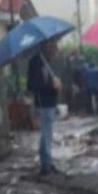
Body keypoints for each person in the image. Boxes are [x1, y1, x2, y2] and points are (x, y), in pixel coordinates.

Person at [27, 40, 62, 175]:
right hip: (43, 103)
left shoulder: (46, 62)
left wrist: (55, 84)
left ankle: (48, 162)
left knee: (48, 134)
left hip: (50, 102)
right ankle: (45, 165)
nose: (55, 51)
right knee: (46, 135)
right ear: (47, 47)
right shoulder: (36, 62)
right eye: (54, 47)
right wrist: (51, 85)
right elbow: (33, 85)